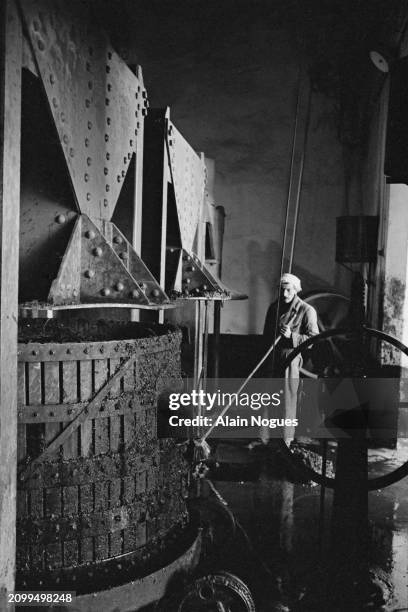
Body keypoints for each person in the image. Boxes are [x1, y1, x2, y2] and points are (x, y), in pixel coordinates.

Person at [262, 273, 319, 442]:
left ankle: (286, 440)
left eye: (288, 290)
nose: (284, 294)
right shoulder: (274, 308)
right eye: (281, 290)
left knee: (288, 398)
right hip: (272, 357)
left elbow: (313, 340)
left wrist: (291, 335)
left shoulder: (307, 310)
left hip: (290, 359)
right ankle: (264, 438)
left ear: (295, 290)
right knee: (268, 397)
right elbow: (266, 335)